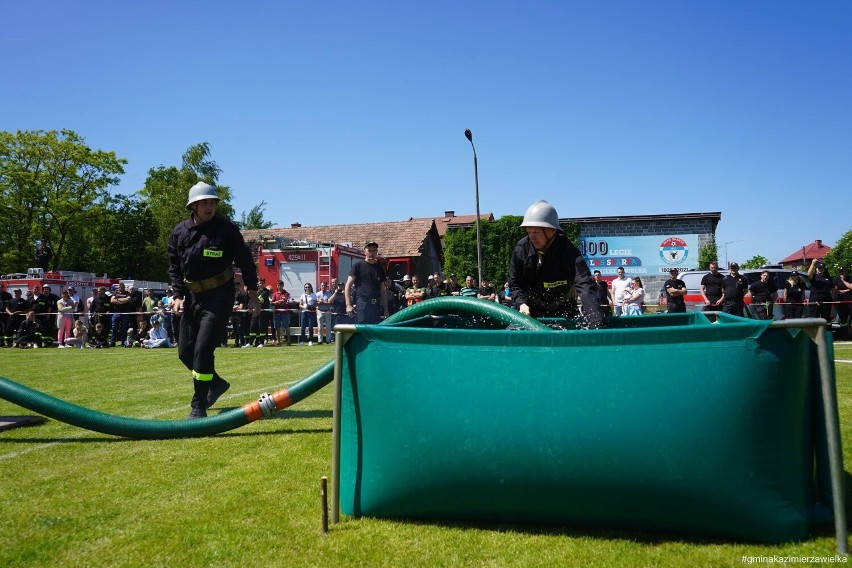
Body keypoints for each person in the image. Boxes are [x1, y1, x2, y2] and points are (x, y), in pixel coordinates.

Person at [168, 181, 260, 419]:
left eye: (213, 202)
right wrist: (177, 295)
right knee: (185, 352)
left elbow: (246, 262)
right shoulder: (179, 232)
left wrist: (252, 294)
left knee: (202, 351)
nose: (210, 207)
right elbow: (174, 267)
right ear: (194, 206)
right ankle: (217, 384)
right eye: (205, 203)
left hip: (219, 296)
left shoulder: (227, 230)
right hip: (190, 297)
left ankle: (198, 406)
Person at [507, 200, 604, 328]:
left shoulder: (569, 251)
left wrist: (595, 323)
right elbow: (514, 283)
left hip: (565, 309)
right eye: (529, 232)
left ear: (551, 231)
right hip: (530, 311)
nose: (532, 237)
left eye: (536, 232)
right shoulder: (521, 249)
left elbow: (585, 285)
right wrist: (522, 303)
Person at [345, 241, 388, 324]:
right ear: (364, 251)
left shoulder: (379, 268)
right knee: (362, 331)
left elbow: (383, 290)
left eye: (374, 250)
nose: (371, 253)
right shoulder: (358, 266)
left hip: (376, 305)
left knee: (374, 331)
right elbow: (348, 286)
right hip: (362, 304)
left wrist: (386, 310)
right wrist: (348, 305)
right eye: (369, 250)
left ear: (376, 252)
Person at [271, 280, 292, 346]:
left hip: (284, 313)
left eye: (281, 285)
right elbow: (272, 303)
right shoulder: (275, 294)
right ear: (277, 286)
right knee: (277, 328)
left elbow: (285, 300)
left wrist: (279, 302)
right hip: (277, 313)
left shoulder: (286, 293)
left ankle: (289, 341)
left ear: (283, 285)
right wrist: (278, 302)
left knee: (286, 327)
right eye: (278, 285)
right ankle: (278, 342)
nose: (279, 286)